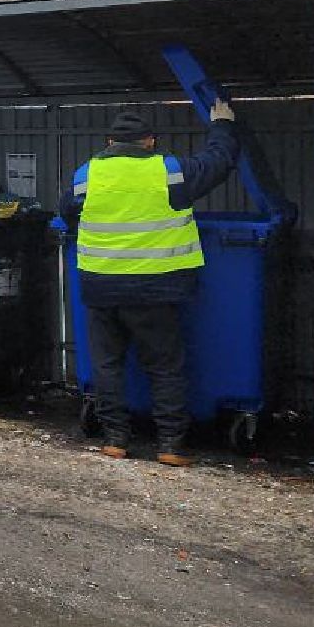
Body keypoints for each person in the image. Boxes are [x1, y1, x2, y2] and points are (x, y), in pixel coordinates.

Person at [59, 101, 240, 467]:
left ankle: (115, 440)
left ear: (109, 141)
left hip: (101, 287)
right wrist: (222, 125)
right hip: (155, 289)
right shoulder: (170, 171)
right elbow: (218, 162)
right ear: (150, 142)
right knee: (164, 366)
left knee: (107, 365)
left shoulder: (86, 175)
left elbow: (68, 214)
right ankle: (170, 444)